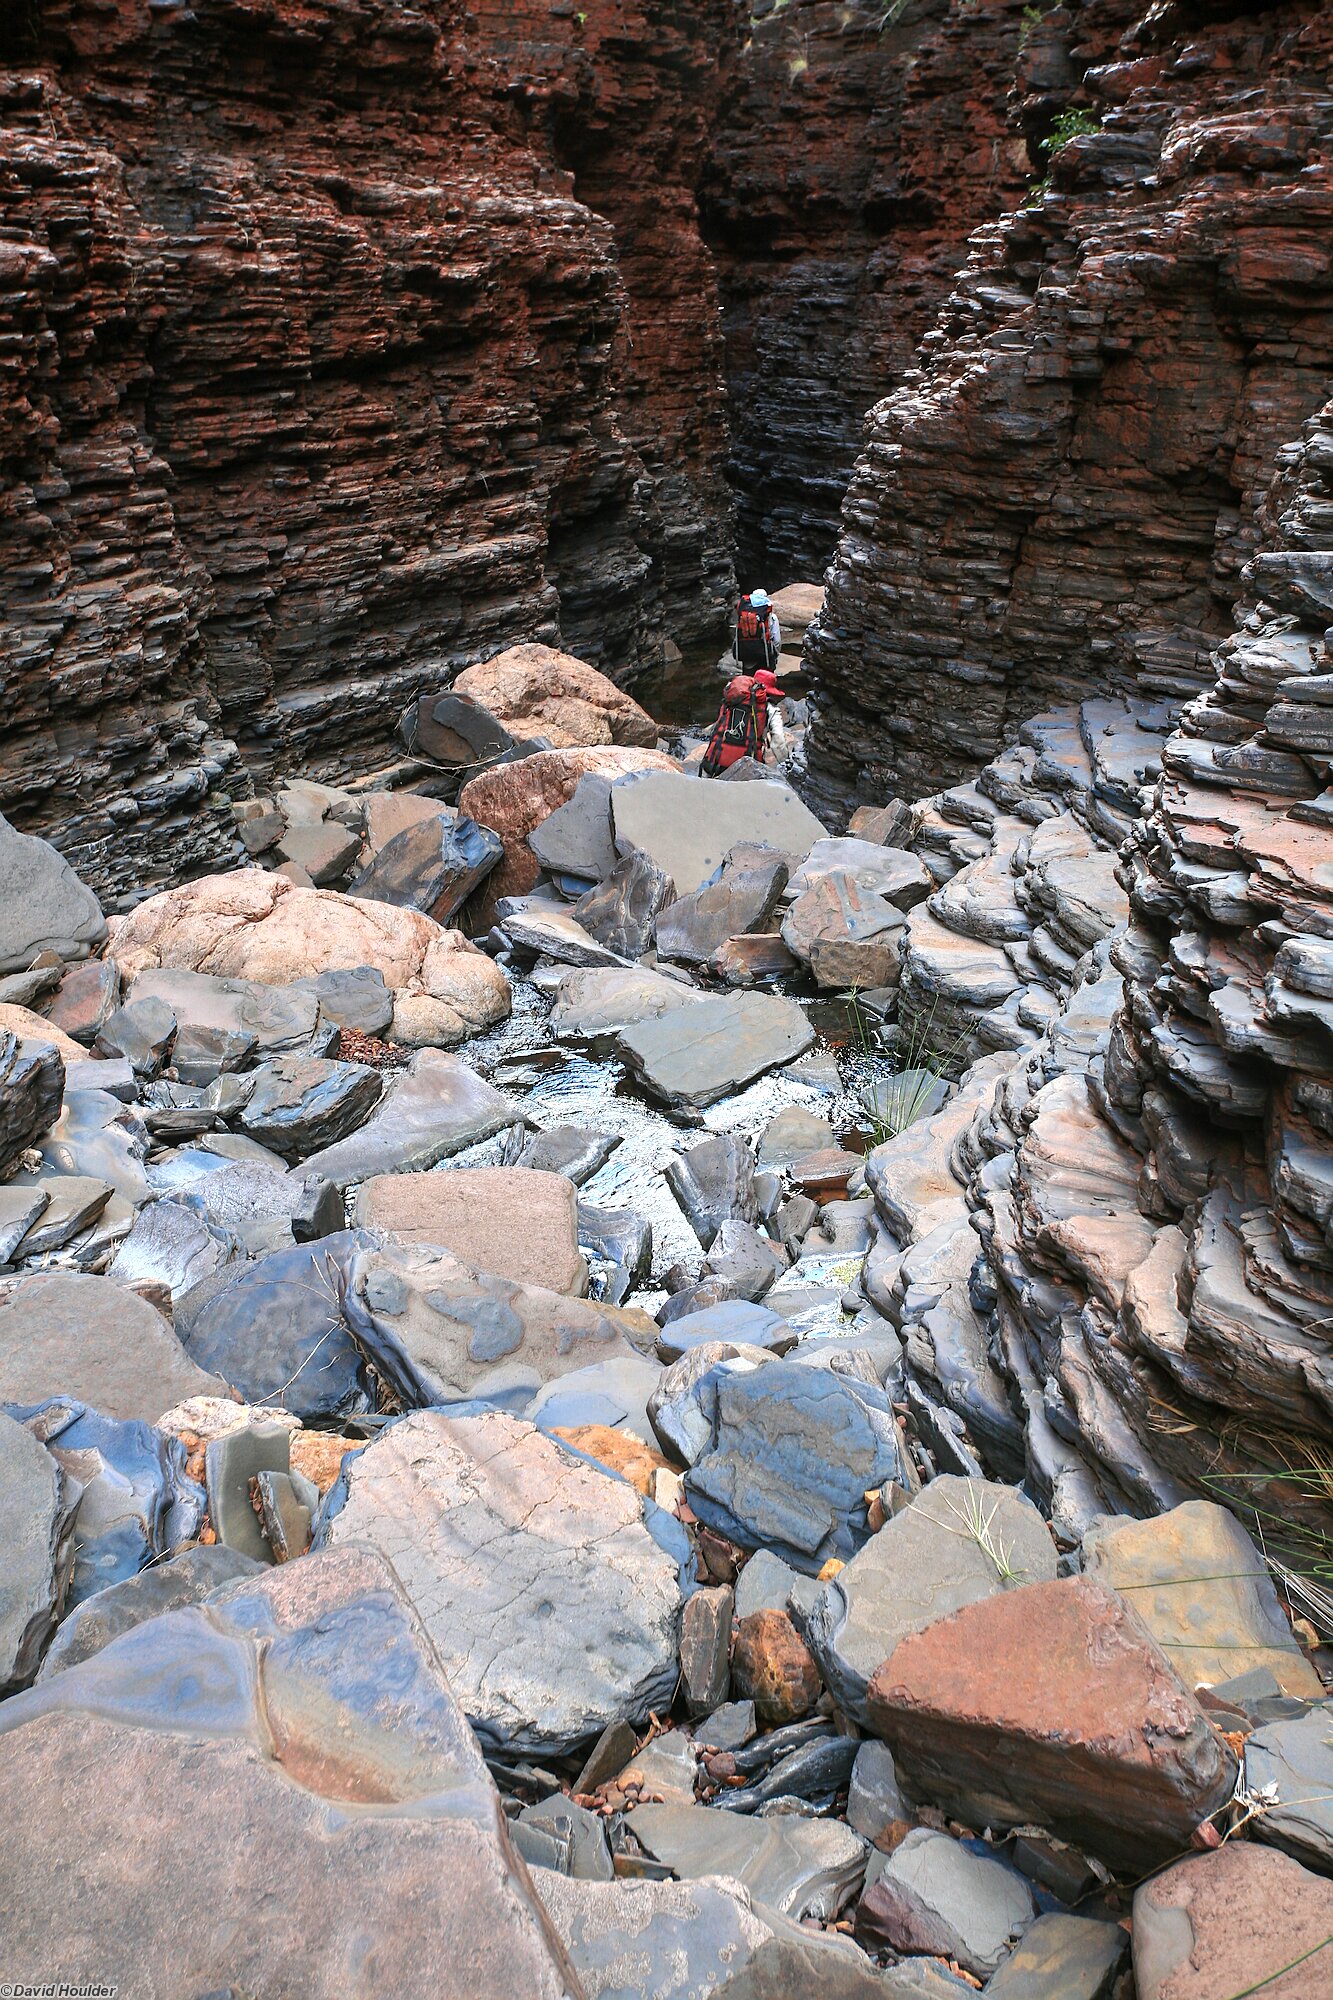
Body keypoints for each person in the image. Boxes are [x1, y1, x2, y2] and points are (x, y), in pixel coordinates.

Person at [734, 587, 782, 674]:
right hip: (764, 653)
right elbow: (777, 640)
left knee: (748, 680)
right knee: (765, 680)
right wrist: (775, 654)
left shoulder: (743, 614)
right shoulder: (771, 616)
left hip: (746, 652)